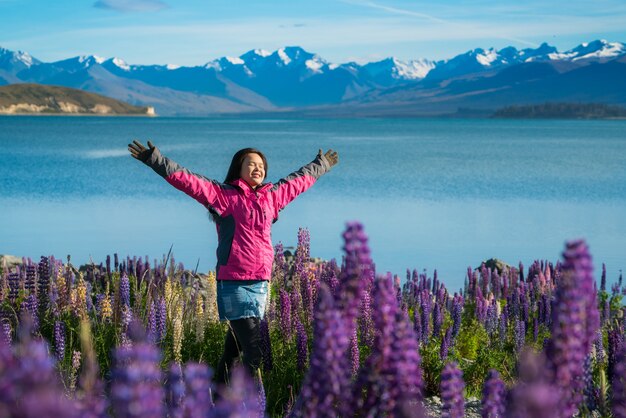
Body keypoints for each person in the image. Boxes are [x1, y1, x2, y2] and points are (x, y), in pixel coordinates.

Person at [128, 140, 338, 384]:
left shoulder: (271, 197)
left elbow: (297, 182)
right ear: (239, 168)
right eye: (251, 164)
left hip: (261, 284)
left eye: (261, 165)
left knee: (234, 351)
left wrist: (321, 164)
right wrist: (154, 159)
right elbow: (187, 180)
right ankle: (245, 403)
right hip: (234, 284)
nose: (258, 169)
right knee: (256, 352)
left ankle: (214, 398)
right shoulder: (223, 196)